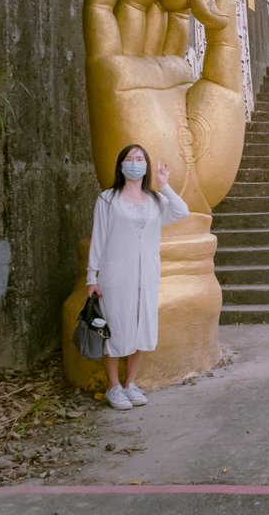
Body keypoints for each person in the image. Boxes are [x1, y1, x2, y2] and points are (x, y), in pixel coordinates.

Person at [86, 144, 190, 410]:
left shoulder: (156, 200)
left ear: (146, 166)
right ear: (121, 165)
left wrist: (165, 185)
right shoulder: (108, 199)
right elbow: (98, 239)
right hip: (115, 275)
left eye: (140, 159)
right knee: (114, 329)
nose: (135, 163)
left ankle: (131, 383)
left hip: (147, 275)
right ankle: (113, 387)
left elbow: (182, 211)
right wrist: (91, 277)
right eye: (130, 159)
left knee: (141, 327)